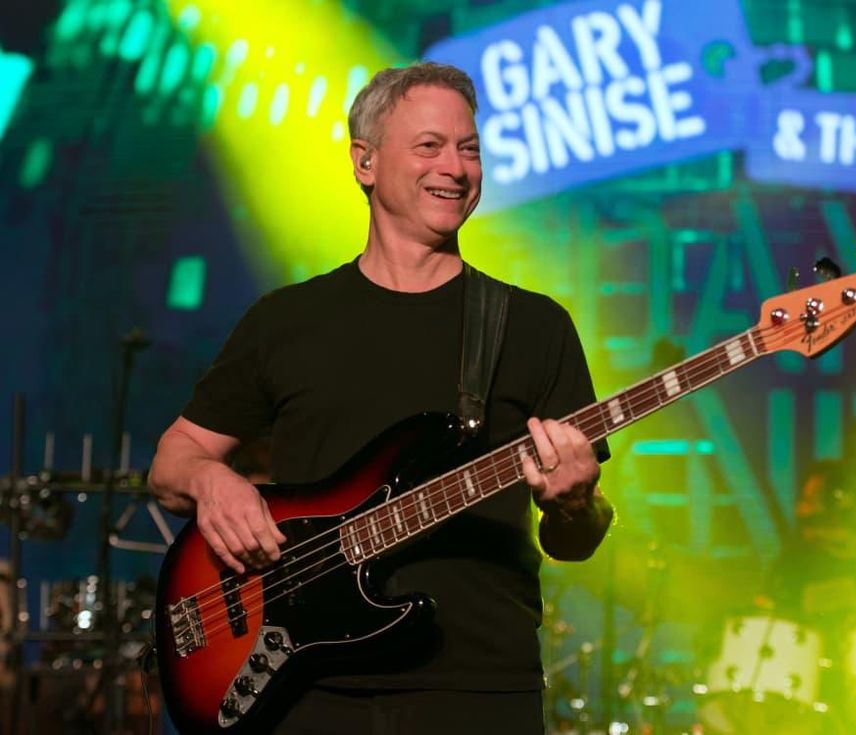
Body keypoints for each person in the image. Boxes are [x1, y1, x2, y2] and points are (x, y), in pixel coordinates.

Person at [148, 62, 614, 734]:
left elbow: (575, 540)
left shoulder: (532, 326)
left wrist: (576, 502)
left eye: (469, 148)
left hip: (479, 691)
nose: (455, 167)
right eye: (429, 145)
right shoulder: (287, 320)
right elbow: (171, 462)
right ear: (364, 162)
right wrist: (212, 481)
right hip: (303, 689)